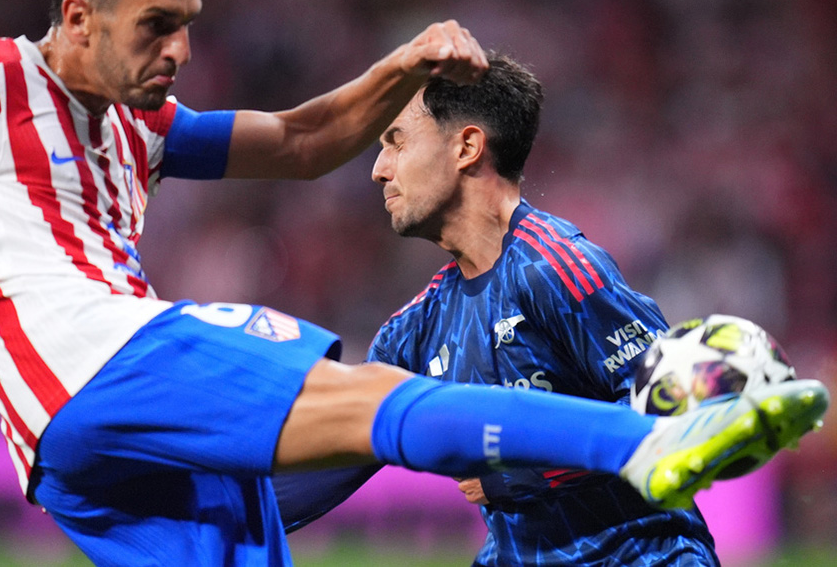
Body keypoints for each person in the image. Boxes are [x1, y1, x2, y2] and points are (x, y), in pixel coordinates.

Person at [0, 0, 827, 567]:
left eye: (188, 23)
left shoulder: (141, 123)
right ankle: (648, 444)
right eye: (156, 25)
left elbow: (303, 141)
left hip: (74, 449)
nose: (181, 49)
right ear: (76, 17)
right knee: (379, 394)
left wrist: (400, 65)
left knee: (261, 509)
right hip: (94, 357)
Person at [273, 54, 725, 565]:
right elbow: (338, 454)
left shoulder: (555, 268)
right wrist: (216, 509)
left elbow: (674, 410)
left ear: (466, 147)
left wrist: (521, 470)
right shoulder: (414, 330)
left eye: (396, 141)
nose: (379, 170)